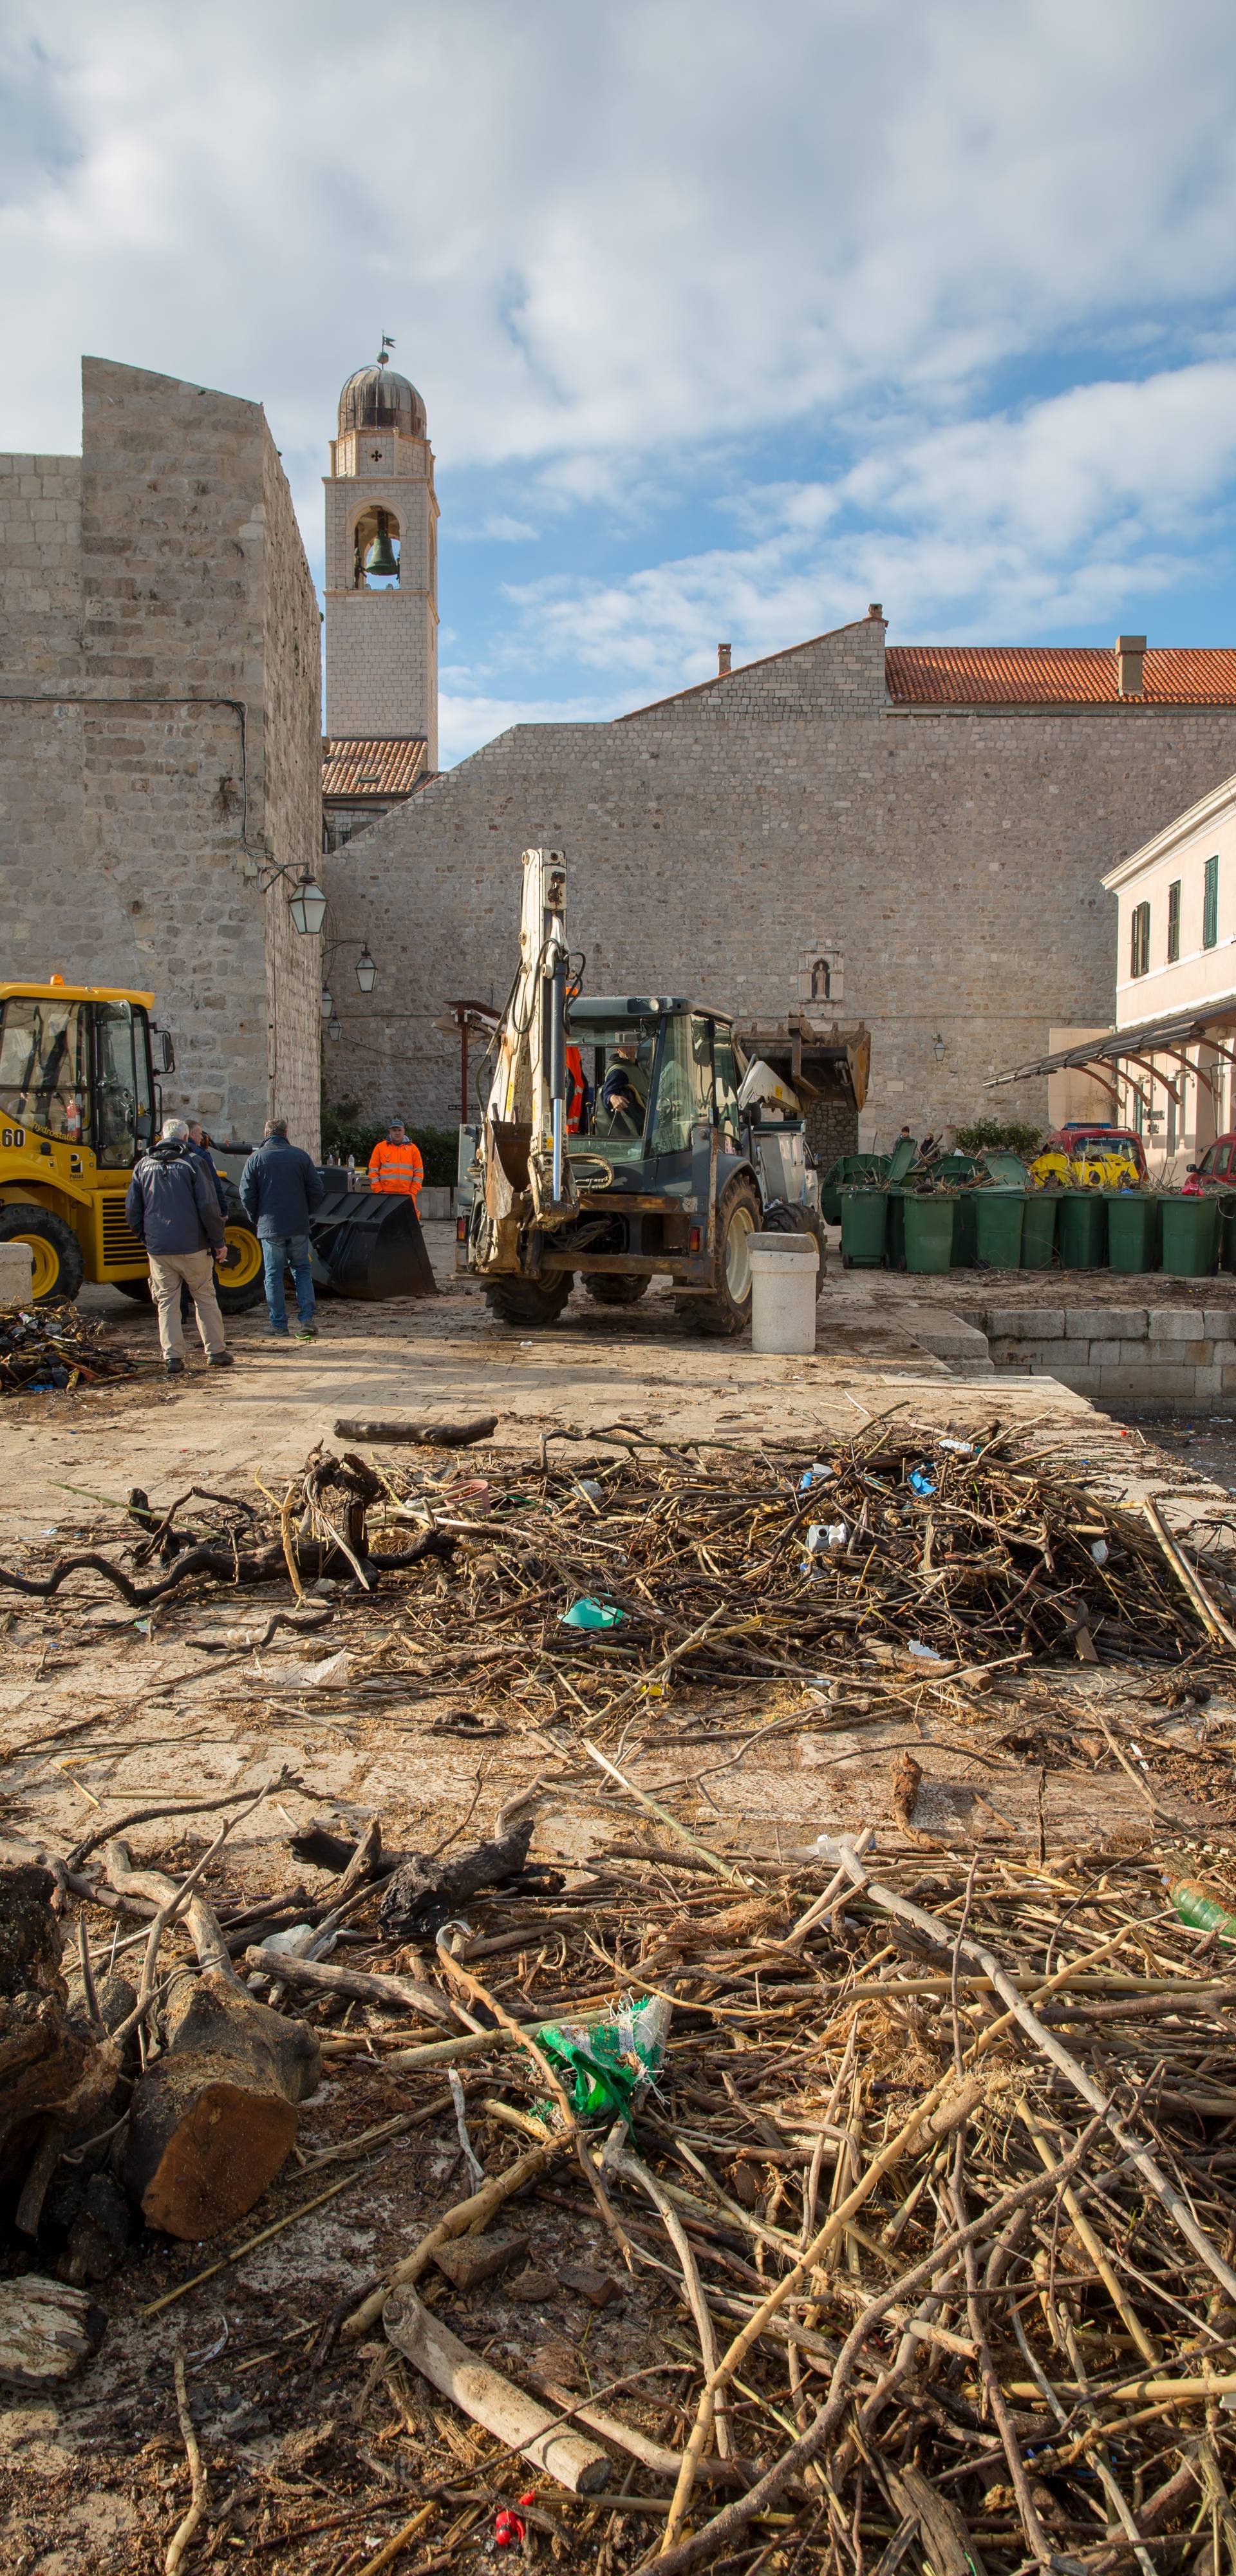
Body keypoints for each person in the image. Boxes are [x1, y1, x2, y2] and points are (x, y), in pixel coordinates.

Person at [125, 1117, 234, 1376]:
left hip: (159, 1248)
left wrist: (147, 1238)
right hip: (193, 1246)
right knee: (204, 1297)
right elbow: (208, 1207)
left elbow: (132, 1210)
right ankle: (215, 1351)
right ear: (186, 1138)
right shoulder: (193, 1163)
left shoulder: (143, 1166)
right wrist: (218, 1241)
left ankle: (173, 1357)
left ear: (161, 1136)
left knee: (166, 1302)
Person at [239, 1116, 324, 1341]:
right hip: (297, 1225)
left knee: (274, 1275)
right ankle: (307, 1320)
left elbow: (246, 1195)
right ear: (286, 1134)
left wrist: (256, 1218)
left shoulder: (255, 1159)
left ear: (266, 1134)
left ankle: (278, 1324)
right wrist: (306, 1213)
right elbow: (317, 1190)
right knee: (302, 1271)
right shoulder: (301, 1157)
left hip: (271, 1227)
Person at [182, 1121, 229, 1328]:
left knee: (170, 1290)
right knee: (205, 1280)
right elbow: (213, 1191)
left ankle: (181, 1315)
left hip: (162, 1237)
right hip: (196, 1229)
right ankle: (213, 1330)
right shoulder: (200, 1158)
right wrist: (222, 1214)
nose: (203, 1139)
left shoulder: (149, 1160)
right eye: (200, 1134)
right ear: (191, 1134)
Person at [367, 1121, 424, 1200]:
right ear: (389, 1131)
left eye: (399, 1130)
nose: (397, 1133)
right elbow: (373, 1171)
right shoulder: (380, 1148)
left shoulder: (413, 1149)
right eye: (394, 1130)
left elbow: (419, 1172)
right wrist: (379, 1191)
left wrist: (413, 1192)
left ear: (404, 1131)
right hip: (385, 1195)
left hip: (407, 1194)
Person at [600, 1040, 648, 1133]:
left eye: (632, 1046)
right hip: (636, 1124)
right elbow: (608, 1093)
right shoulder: (619, 1071)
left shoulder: (635, 1065)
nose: (630, 1049)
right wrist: (613, 1098)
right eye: (625, 1047)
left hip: (647, 1115)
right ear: (617, 1049)